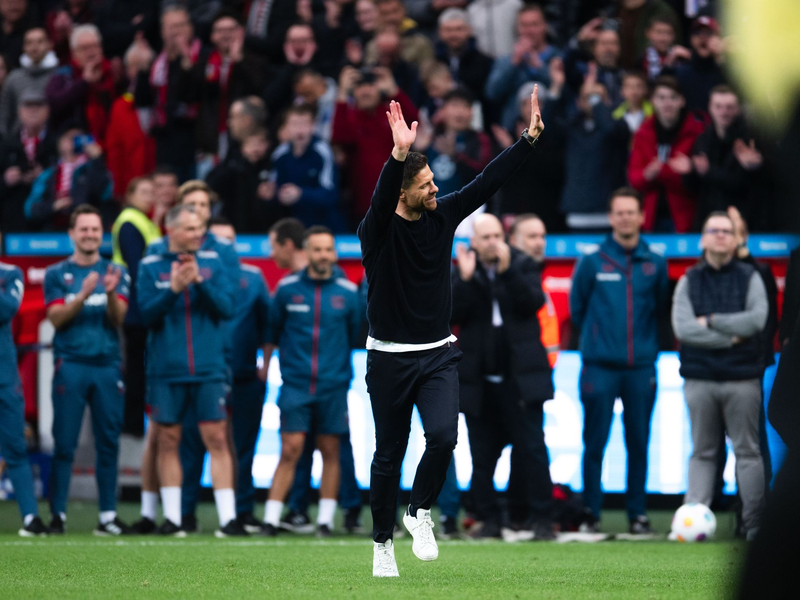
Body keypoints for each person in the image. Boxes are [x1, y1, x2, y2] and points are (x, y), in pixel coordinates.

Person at [361, 88, 543, 577]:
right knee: (387, 455)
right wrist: (397, 155)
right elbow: (380, 201)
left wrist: (526, 141)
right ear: (403, 192)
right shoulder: (376, 232)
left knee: (443, 437)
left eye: (434, 182)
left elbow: (486, 183)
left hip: (438, 353)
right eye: (425, 185)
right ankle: (382, 544)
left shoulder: (442, 218)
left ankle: (419, 512)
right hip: (388, 359)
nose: (436, 189)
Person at [131, 180, 240, 534]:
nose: (198, 234)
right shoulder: (150, 264)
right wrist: (173, 290)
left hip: (208, 368)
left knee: (218, 439)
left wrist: (200, 284)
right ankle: (173, 519)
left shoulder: (212, 261)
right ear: (172, 229)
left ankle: (229, 520)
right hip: (166, 369)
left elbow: (227, 309)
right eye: (191, 229)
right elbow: (144, 316)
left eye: (200, 228)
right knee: (168, 440)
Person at [569, 188, 670, 535]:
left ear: (642, 216)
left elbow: (660, 312)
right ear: (611, 218)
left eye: (631, 212)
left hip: (641, 367)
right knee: (594, 443)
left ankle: (638, 515)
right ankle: (590, 513)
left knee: (638, 443)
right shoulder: (592, 261)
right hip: (599, 367)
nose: (625, 218)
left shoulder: (655, 263)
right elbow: (577, 311)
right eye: (619, 212)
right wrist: (599, 342)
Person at [451, 213, 554, 540]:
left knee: (533, 451)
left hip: (520, 380)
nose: (493, 241)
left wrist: (507, 272)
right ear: (474, 243)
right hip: (481, 382)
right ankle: (489, 520)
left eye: (497, 235)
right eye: (486, 237)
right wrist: (465, 281)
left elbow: (532, 302)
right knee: (482, 456)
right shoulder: (463, 272)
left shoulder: (522, 265)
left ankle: (541, 520)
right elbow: (453, 315)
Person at [671, 211, 768, 541]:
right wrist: (730, 337)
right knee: (703, 451)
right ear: (703, 238)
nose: (721, 236)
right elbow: (684, 329)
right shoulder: (689, 279)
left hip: (742, 379)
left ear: (737, 238)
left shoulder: (750, 276)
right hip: (700, 379)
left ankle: (754, 524)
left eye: (727, 231)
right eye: (714, 230)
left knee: (748, 452)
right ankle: (691, 519)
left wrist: (710, 321)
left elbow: (755, 321)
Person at [263, 226, 362, 537]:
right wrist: (266, 366)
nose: (323, 255)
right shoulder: (286, 288)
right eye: (317, 249)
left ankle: (324, 522)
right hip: (295, 385)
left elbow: (357, 335)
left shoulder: (347, 293)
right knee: (290, 449)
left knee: (330, 450)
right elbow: (271, 332)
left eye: (328, 250)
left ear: (334, 253)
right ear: (306, 252)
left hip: (334, 386)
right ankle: (270, 519)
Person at [43, 204, 131, 535]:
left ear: (102, 234)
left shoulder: (116, 272)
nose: (90, 234)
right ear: (72, 234)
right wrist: (82, 294)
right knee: (64, 443)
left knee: (108, 442)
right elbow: (55, 319)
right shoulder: (56, 274)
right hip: (72, 365)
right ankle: (58, 516)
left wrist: (108, 293)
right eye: (84, 229)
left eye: (95, 229)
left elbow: (119, 318)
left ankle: (107, 516)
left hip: (107, 366)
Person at [207, 219, 271, 534]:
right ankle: (184, 514)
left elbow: (268, 324)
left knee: (243, 446)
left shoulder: (253, 277)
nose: (224, 247)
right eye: (218, 240)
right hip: (205, 375)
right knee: (195, 445)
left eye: (230, 240)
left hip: (245, 374)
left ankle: (243, 511)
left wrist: (266, 363)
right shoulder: (197, 274)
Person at [331, 64, 418, 227]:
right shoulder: (350, 117)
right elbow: (339, 137)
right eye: (359, 87)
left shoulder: (390, 116)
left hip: (398, 204)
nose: (365, 91)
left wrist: (393, 89)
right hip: (362, 206)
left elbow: (413, 121)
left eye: (371, 85)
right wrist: (342, 93)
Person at [0, 259, 49, 536]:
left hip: (5, 378)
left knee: (16, 448)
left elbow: (7, 309)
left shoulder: (10, 273)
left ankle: (31, 517)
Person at [111, 177, 160, 438]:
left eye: (152, 192)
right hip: (136, 306)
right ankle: (132, 425)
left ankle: (137, 423)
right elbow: (137, 266)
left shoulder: (144, 220)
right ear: (129, 194)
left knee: (140, 367)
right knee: (136, 368)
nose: (149, 196)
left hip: (143, 304)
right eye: (143, 191)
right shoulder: (130, 222)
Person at [628, 75, 704, 233]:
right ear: (653, 101)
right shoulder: (643, 132)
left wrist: (662, 172)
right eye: (661, 98)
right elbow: (634, 178)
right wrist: (647, 175)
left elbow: (699, 179)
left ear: (682, 101)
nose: (667, 103)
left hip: (686, 218)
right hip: (651, 218)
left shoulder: (698, 132)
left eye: (672, 98)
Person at [682, 86, 764, 228]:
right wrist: (689, 171)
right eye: (718, 106)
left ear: (738, 108)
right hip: (708, 219)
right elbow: (694, 187)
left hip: (743, 221)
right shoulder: (703, 140)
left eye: (729, 107)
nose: (723, 112)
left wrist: (757, 167)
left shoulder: (750, 141)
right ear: (710, 107)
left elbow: (742, 184)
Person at [485, 5, 558, 131]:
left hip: (552, 133)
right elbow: (492, 93)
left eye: (534, 24)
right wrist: (513, 62)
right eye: (524, 25)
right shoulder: (505, 61)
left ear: (545, 26)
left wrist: (540, 67)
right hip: (513, 134)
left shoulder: (556, 57)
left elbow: (564, 93)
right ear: (517, 28)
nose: (529, 30)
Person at [24, 127, 113, 231]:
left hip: (86, 229)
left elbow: (105, 194)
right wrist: (53, 206)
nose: (74, 142)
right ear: (59, 142)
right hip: (53, 233)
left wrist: (97, 160)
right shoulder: (48, 174)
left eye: (78, 138)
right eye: (69, 138)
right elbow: (30, 209)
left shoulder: (92, 169)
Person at [270, 104, 342, 230]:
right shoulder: (279, 154)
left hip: (322, 224)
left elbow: (331, 194)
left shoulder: (322, 151)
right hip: (290, 226)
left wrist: (301, 194)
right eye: (295, 124)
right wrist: (274, 194)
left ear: (313, 126)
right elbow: (273, 188)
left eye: (304, 124)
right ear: (286, 127)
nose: (300, 130)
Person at [45, 24, 117, 146]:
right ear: (74, 53)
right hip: (77, 144)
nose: (91, 53)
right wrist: (84, 83)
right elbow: (53, 103)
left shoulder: (114, 72)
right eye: (84, 48)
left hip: (113, 139)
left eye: (95, 46)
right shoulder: (64, 75)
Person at [105, 39, 156, 199]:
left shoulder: (161, 101)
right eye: (135, 65)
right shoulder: (120, 106)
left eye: (144, 64)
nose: (139, 70)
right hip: (132, 185)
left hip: (158, 183)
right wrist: (119, 190)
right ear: (127, 70)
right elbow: (115, 150)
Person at [0, 89, 56, 234]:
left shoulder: (57, 144)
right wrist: (6, 180)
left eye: (38, 105)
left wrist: (46, 177)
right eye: (28, 105)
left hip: (49, 225)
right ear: (19, 111)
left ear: (48, 110)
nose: (33, 110)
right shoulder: (6, 144)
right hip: (12, 224)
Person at [509, 213, 559, 367]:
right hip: (522, 373)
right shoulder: (507, 281)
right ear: (513, 240)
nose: (540, 243)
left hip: (542, 371)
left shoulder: (538, 277)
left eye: (542, 236)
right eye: (532, 237)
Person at [0, 26, 57, 137]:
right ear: (24, 47)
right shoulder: (13, 78)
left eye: (40, 41)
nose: (34, 47)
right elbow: (4, 115)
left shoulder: (58, 76)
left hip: (51, 142)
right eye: (29, 43)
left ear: (49, 44)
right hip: (17, 144)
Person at [434, 9, 493, 111]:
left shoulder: (485, 63)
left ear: (469, 30)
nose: (453, 34)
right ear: (440, 32)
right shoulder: (434, 62)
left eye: (459, 29)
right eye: (448, 30)